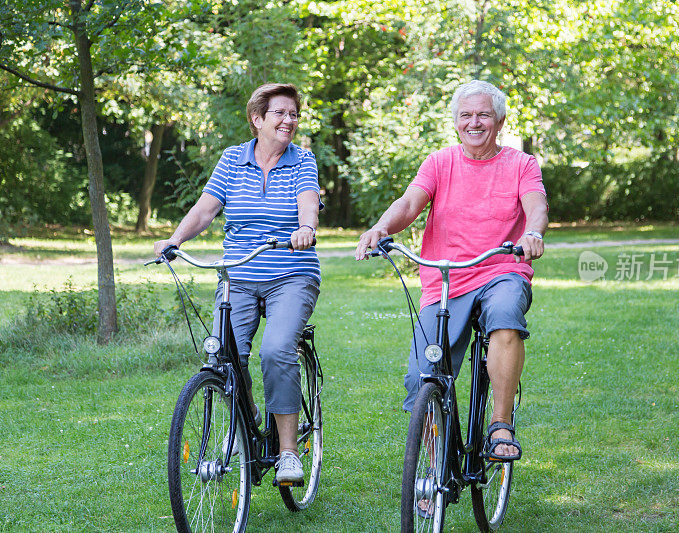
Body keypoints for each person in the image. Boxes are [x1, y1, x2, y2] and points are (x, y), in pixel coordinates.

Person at [355, 79, 548, 464]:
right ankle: (433, 466)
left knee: (506, 316)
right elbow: (409, 203)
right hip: (446, 279)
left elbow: (536, 204)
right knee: (421, 378)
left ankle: (500, 424)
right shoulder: (440, 162)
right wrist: (380, 227)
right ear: (455, 122)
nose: (474, 122)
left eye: (483, 115)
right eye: (466, 115)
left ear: (500, 120)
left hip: (501, 271)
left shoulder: (521, 164)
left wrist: (532, 232)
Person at [155, 83, 321, 482]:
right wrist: (175, 239)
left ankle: (287, 452)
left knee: (278, 349)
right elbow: (205, 209)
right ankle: (243, 427)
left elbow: (308, 202)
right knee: (226, 355)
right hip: (238, 275)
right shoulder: (232, 159)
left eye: (293, 114)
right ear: (257, 119)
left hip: (291, 272)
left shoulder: (303, 161)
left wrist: (305, 228)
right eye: (280, 113)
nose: (289, 120)